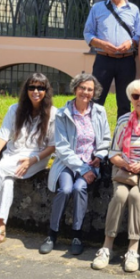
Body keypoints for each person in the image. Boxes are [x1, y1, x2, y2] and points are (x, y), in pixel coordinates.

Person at [92, 79, 140, 273]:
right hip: (123, 171)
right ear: (130, 98)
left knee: (136, 196)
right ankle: (107, 246)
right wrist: (126, 164)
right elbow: (113, 153)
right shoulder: (123, 120)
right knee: (119, 196)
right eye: (135, 96)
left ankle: (133, 249)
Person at [0, 74, 57, 249]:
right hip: (12, 155)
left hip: (36, 157)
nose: (36, 91)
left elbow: (53, 146)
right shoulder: (15, 109)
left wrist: (32, 160)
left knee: (0, 169)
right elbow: (3, 136)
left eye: (40, 88)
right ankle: (0, 229)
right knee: (5, 181)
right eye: (32, 87)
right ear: (26, 90)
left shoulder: (52, 113)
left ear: (46, 91)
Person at [39, 73, 111, 256]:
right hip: (67, 163)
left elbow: (105, 140)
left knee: (80, 188)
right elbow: (62, 147)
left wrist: (100, 156)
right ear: (75, 89)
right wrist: (83, 168)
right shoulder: (63, 114)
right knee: (65, 189)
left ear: (94, 93)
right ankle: (52, 234)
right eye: (82, 88)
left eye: (90, 89)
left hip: (90, 162)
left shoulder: (99, 112)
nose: (85, 92)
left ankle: (76, 235)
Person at [84, 0, 140, 119]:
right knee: (96, 99)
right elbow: (88, 33)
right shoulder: (97, 8)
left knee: (125, 101)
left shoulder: (134, 9)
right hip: (104, 59)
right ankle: (93, 135)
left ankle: (122, 136)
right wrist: (101, 44)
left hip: (126, 60)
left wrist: (130, 43)